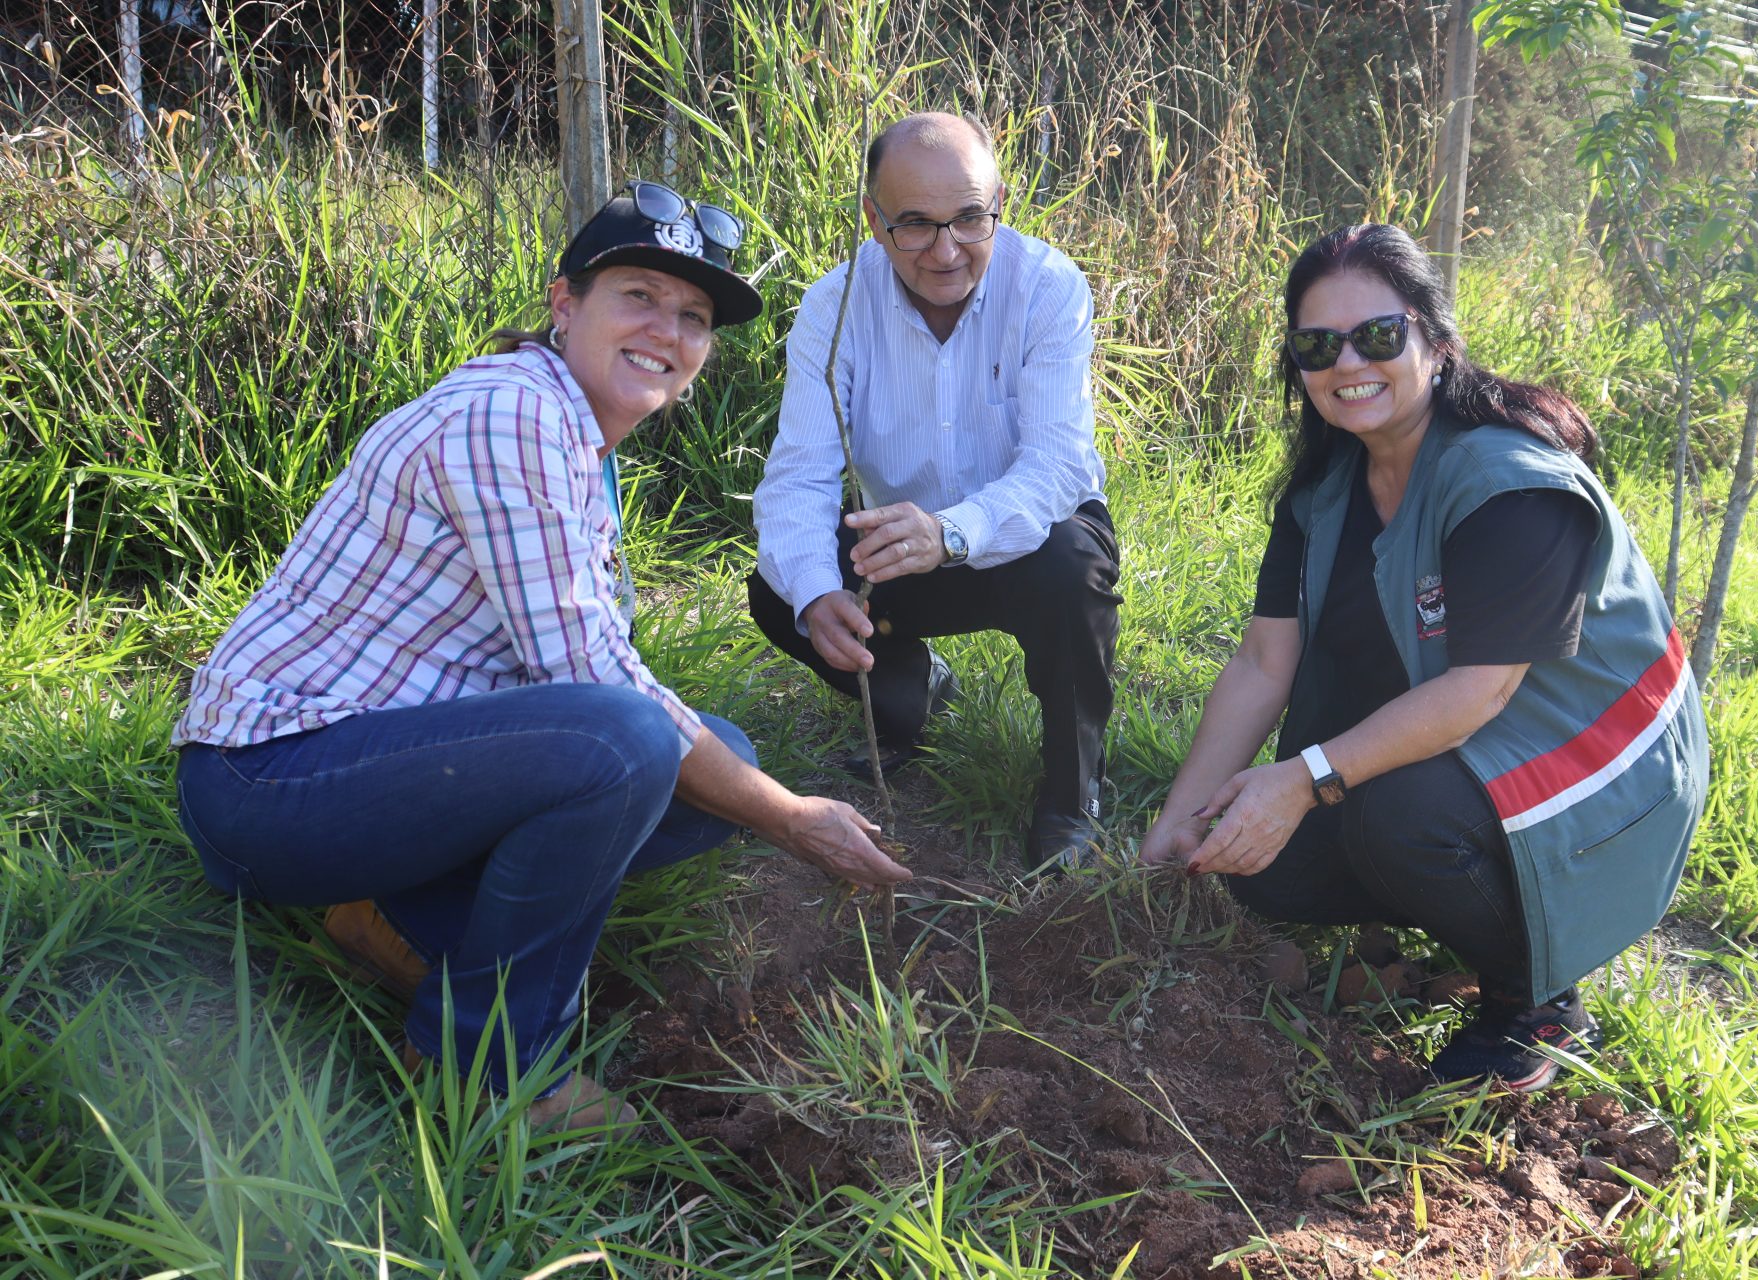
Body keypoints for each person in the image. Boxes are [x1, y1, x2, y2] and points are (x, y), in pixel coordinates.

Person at [173, 182, 910, 1130]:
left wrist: (761, 801)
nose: (669, 331)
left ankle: (394, 920)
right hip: (266, 785)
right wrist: (794, 822)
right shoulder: (512, 414)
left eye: (693, 317)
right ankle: (489, 1068)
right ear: (565, 304)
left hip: (361, 764)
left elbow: (583, 671)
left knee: (712, 760)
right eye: (637, 295)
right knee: (630, 748)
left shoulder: (574, 436)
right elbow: (593, 682)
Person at [1139, 224, 1708, 1093]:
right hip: (1487, 748)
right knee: (1259, 867)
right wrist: (1175, 827)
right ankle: (1457, 914)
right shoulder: (1326, 489)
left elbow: (1479, 692)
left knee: (1394, 816)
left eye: (1377, 335)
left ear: (1435, 343)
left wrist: (1302, 778)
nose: (1347, 362)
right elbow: (1263, 660)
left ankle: (1539, 1001)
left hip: (1608, 763)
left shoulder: (1507, 480)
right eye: (1316, 344)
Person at [748, 111, 1121, 870]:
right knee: (778, 587)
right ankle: (916, 695)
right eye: (914, 224)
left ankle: (1072, 792)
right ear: (874, 219)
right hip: (899, 547)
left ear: (1000, 202)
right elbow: (800, 474)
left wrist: (951, 531)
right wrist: (819, 592)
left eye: (968, 219)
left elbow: (1055, 466)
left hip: (1027, 539)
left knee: (1073, 568)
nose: (946, 251)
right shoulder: (835, 305)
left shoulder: (1048, 287)